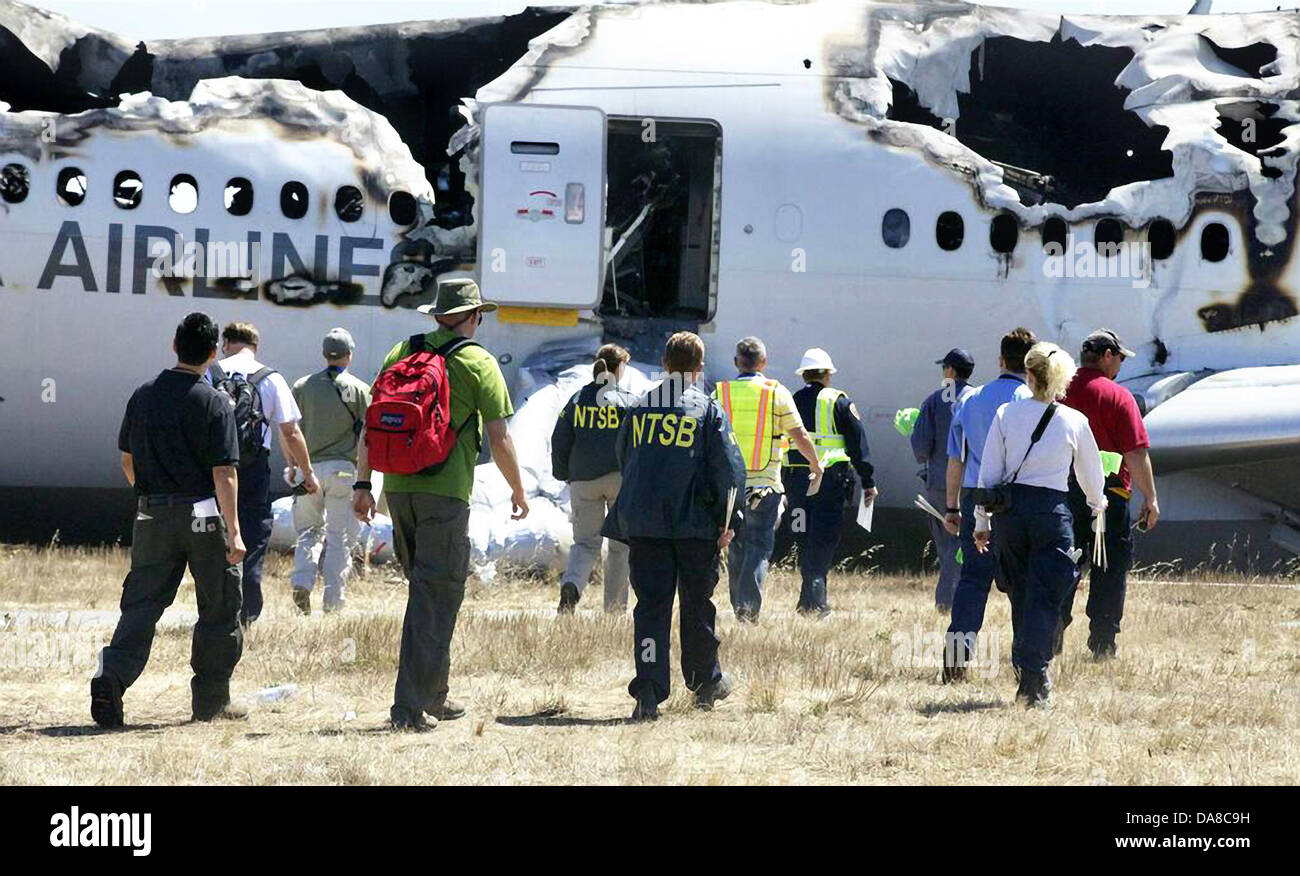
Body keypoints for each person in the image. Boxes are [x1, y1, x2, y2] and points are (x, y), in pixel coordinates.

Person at [353, 278, 529, 732]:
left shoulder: (401, 352)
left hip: (398, 490)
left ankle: (435, 694)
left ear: (436, 315)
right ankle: (408, 707)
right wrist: (517, 488)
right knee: (436, 596)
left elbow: (371, 426)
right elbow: (499, 436)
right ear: (473, 317)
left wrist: (362, 482)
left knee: (430, 593)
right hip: (445, 493)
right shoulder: (476, 361)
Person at [92, 313, 246, 727]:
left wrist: (148, 498)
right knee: (219, 606)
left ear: (174, 345)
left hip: (151, 512)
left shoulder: (143, 396)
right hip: (203, 514)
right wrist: (233, 531)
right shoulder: (214, 402)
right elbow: (224, 472)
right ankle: (211, 703)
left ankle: (113, 675)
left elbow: (127, 459)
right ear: (214, 354)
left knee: (141, 604)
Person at [603, 331, 747, 721]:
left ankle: (648, 690)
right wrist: (728, 520)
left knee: (650, 607)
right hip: (695, 528)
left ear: (665, 365)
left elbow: (625, 459)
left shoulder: (638, 408)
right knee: (698, 606)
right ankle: (705, 684)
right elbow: (729, 471)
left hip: (646, 526)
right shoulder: (709, 410)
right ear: (699, 369)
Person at [972, 342, 1107, 706]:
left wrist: (982, 520)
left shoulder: (1005, 414)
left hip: (1010, 514)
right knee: (1047, 595)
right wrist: (1098, 506)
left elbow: (990, 474)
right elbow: (1090, 476)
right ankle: (1035, 676)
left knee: (1019, 592)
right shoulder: (1074, 421)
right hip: (1051, 512)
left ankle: (1026, 670)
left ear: (1028, 377)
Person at [1058, 329, 1160, 659]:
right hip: (1109, 499)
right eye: (1118, 358)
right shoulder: (1119, 397)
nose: (1120, 365)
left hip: (1064, 496)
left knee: (1061, 565)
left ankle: (1051, 634)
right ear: (1106, 355)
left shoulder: (1058, 393)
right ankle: (1102, 644)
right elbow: (1135, 452)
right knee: (1108, 569)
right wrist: (1150, 498)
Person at [941, 327, 1036, 681]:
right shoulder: (1035, 401)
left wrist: (952, 507)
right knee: (1022, 584)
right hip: (1020, 500)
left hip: (975, 495)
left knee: (972, 582)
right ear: (1031, 363)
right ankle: (1026, 665)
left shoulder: (970, 400)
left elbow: (956, 460)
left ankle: (955, 663)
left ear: (1000, 360)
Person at [713, 337, 822, 621]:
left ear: (737, 362)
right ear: (763, 363)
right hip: (766, 484)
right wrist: (815, 465)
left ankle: (740, 609)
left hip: (730, 486)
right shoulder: (776, 392)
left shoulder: (720, 393)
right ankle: (747, 612)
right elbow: (799, 435)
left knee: (735, 547)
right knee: (758, 548)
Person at [215, 322, 317, 625]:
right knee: (253, 533)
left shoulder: (211, 372)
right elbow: (290, 431)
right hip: (252, 464)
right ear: (255, 347)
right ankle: (246, 612)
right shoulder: (270, 378)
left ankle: (215, 606)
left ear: (226, 343)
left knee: (214, 531)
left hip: (213, 465)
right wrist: (305, 472)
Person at [782, 348, 877, 617]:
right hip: (829, 482)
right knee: (822, 538)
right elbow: (858, 445)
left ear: (804, 375)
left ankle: (808, 599)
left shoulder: (790, 399)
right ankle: (816, 602)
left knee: (803, 536)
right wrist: (868, 480)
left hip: (796, 482)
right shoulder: (839, 401)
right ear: (827, 374)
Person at [289, 328, 371, 615]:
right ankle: (333, 604)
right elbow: (367, 438)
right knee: (339, 539)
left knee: (309, 531)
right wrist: (366, 480)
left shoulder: (301, 386)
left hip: (308, 471)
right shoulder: (361, 390)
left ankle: (301, 580)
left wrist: (292, 466)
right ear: (349, 355)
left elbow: (290, 431)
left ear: (324, 355)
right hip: (344, 472)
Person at [551, 343, 634, 614]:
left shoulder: (576, 399)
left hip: (583, 481)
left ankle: (572, 586)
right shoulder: (627, 402)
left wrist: (563, 474)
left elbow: (560, 438)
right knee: (620, 547)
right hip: (620, 480)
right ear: (619, 368)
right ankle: (613, 611)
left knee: (585, 543)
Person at [911, 348, 976, 612]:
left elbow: (921, 449)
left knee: (948, 543)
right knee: (968, 542)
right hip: (975, 482)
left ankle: (947, 601)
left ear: (950, 371)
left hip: (939, 482)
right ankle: (962, 594)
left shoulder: (934, 401)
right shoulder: (978, 398)